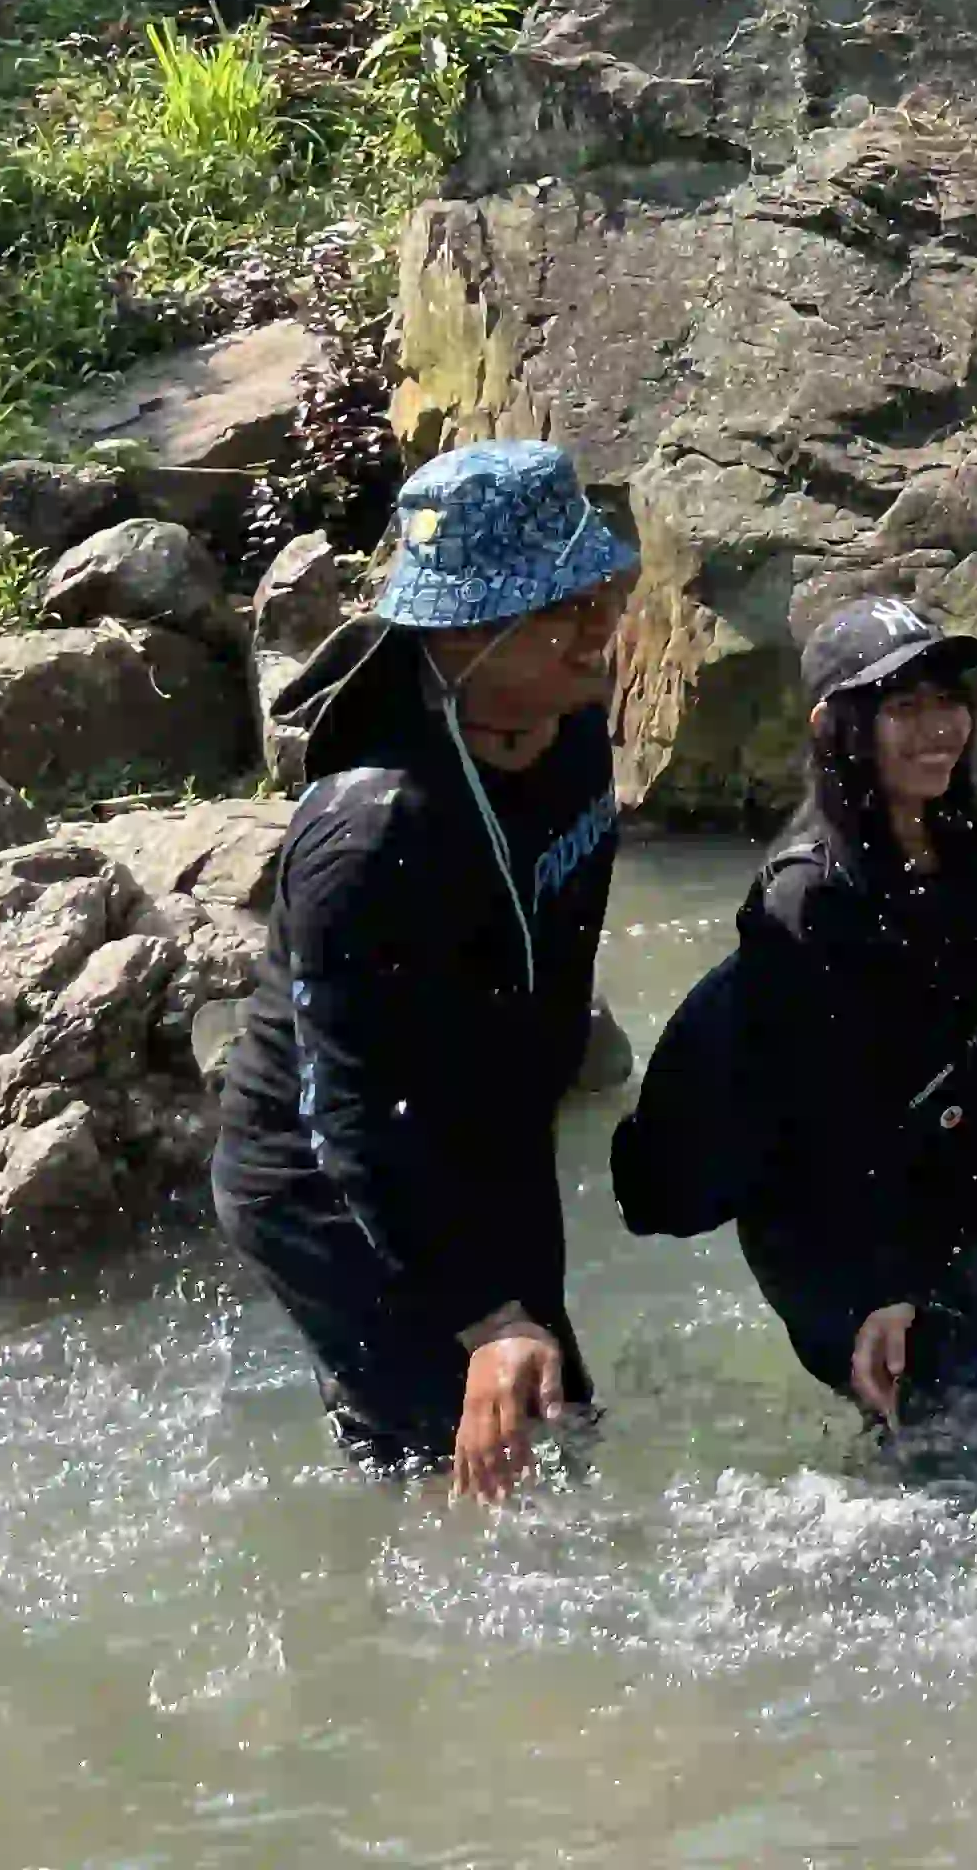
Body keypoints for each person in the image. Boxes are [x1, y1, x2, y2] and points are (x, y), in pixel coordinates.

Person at [211, 441, 638, 1496]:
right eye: (566, 611)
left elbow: (561, 949)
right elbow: (350, 1107)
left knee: (560, 1424)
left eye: (603, 594)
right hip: (326, 1173)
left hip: (482, 1119)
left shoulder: (571, 723)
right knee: (472, 1457)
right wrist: (483, 1316)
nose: (603, 634)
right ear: (466, 637)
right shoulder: (368, 833)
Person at [722, 600, 977, 1458]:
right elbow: (813, 1124)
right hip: (860, 1239)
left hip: (960, 1204)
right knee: (956, 1474)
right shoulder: (806, 898)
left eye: (946, 699)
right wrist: (880, 1286)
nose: (937, 728)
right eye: (900, 706)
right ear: (834, 726)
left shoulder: (947, 844)